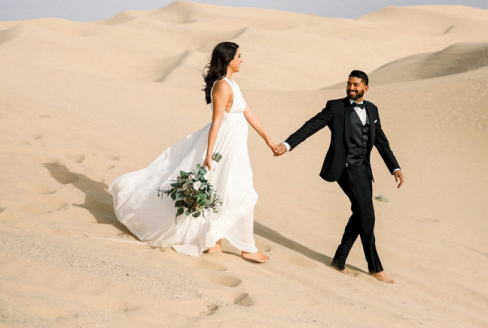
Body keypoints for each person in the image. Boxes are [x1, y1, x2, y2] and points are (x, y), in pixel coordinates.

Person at [109, 42, 274, 263]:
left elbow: (248, 112)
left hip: (236, 147)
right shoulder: (222, 86)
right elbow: (216, 122)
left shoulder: (233, 85)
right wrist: (209, 153)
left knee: (224, 189)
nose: (242, 60)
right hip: (223, 147)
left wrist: (268, 140)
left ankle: (214, 242)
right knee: (240, 190)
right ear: (228, 60)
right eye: (239, 56)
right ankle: (246, 248)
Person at [275, 70, 403, 283]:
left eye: (356, 85)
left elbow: (381, 140)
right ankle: (375, 267)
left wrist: (394, 167)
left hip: (363, 169)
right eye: (349, 84)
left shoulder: (372, 109)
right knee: (367, 214)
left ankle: (339, 260)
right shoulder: (335, 107)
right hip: (343, 167)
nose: (351, 88)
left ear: (366, 88)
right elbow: (311, 125)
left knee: (361, 213)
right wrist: (288, 145)